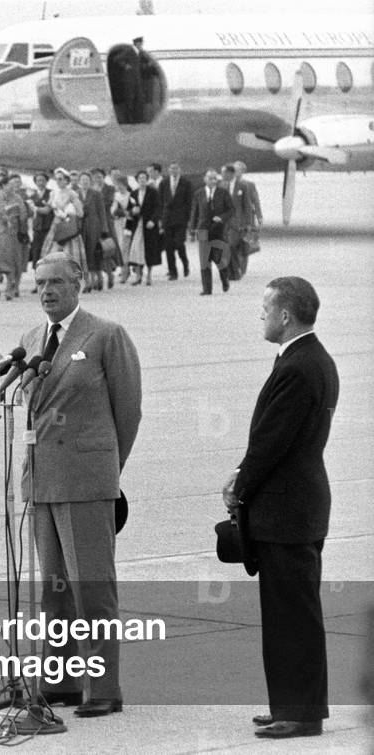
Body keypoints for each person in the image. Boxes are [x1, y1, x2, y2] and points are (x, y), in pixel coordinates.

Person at [19, 252, 142, 716]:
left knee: (91, 588)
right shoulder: (32, 338)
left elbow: (128, 411)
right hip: (43, 480)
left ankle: (104, 688)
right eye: (40, 283)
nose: (46, 291)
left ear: (78, 284)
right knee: (53, 591)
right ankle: (62, 680)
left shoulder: (105, 335)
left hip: (86, 481)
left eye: (55, 282)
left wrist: (104, 469)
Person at [222, 277, 338, 740]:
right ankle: (289, 705)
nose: (261, 316)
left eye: (266, 309)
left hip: (288, 510)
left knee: (294, 617)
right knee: (286, 613)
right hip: (295, 504)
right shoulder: (308, 359)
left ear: (285, 315)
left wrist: (238, 484)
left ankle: (303, 714)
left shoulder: (298, 366)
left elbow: (273, 441)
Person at [188, 169, 234, 295]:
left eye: (214, 178)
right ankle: (207, 289)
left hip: (218, 229)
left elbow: (231, 210)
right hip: (203, 230)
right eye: (210, 178)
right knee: (204, 260)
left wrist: (222, 217)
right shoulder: (199, 193)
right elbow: (194, 212)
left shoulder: (223, 193)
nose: (212, 181)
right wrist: (192, 229)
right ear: (205, 179)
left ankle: (225, 278)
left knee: (219, 259)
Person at [0, 174, 29, 300]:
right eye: (9, 185)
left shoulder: (18, 198)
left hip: (12, 233)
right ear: (3, 186)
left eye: (12, 185)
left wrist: (22, 230)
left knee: (10, 262)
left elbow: (23, 216)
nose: (11, 187)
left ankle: (9, 289)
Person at [124, 170, 161, 286]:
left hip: (148, 225)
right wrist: (132, 211)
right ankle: (138, 275)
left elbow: (158, 208)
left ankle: (149, 275)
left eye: (144, 178)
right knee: (136, 249)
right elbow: (129, 209)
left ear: (147, 179)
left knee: (149, 250)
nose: (142, 180)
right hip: (137, 225)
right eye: (140, 178)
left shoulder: (153, 192)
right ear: (137, 180)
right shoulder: (133, 194)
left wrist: (153, 221)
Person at [76, 171, 111, 291]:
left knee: (94, 252)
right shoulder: (76, 194)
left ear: (90, 181)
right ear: (79, 182)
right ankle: (88, 280)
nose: (85, 182)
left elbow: (102, 212)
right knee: (83, 253)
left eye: (87, 180)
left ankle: (98, 277)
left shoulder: (96, 194)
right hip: (80, 227)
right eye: (82, 180)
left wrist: (104, 228)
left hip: (94, 226)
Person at [43, 169, 85, 268]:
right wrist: (35, 208)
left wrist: (68, 212)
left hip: (68, 227)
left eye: (60, 179)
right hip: (56, 226)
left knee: (69, 255)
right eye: (56, 179)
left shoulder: (72, 194)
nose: (58, 181)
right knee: (52, 254)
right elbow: (47, 210)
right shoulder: (53, 193)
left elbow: (80, 213)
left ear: (67, 180)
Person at [159, 162, 193, 280]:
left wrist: (189, 220)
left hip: (181, 218)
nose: (173, 170)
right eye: (171, 168)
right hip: (167, 218)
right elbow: (160, 202)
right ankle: (173, 272)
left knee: (179, 243)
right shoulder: (164, 183)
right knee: (168, 246)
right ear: (169, 170)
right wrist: (160, 219)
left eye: (176, 168)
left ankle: (185, 262)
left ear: (179, 170)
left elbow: (189, 202)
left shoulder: (186, 183)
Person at [222, 163, 256, 280]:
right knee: (227, 247)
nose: (222, 175)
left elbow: (247, 206)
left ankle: (235, 271)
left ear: (230, 174)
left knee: (232, 246)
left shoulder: (242, 186)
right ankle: (233, 271)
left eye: (224, 173)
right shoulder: (221, 186)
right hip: (224, 223)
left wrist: (249, 224)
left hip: (238, 223)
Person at [109, 173, 132, 283]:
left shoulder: (131, 195)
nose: (120, 186)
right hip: (118, 223)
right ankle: (124, 270)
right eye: (118, 184)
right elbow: (113, 211)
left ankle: (126, 270)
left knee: (126, 247)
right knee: (121, 247)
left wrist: (128, 213)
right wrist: (120, 212)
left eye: (122, 184)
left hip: (129, 224)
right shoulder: (116, 196)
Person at [27, 172, 53, 265]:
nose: (40, 182)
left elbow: (48, 210)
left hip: (49, 226)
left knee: (48, 251)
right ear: (35, 182)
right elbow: (29, 214)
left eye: (43, 180)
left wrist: (34, 208)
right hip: (37, 227)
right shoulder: (32, 196)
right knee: (37, 251)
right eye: (38, 180)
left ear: (46, 182)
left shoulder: (51, 193)